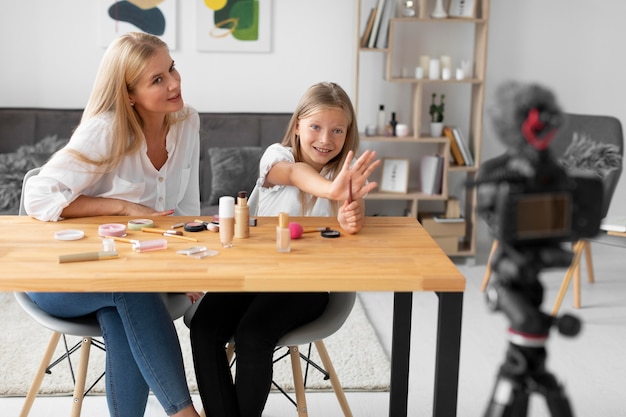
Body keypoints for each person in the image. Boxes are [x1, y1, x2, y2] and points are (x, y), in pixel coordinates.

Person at [23, 32, 202, 417]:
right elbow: (36, 195)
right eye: (157, 79)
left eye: (171, 68)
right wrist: (120, 207)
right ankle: (185, 413)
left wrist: (188, 266)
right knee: (129, 289)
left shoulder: (187, 122)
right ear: (129, 95)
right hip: (59, 278)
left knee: (124, 305)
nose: (174, 82)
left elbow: (188, 209)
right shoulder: (107, 130)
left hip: (132, 277)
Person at [189, 81, 380, 417]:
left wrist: (351, 214)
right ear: (297, 126)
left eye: (337, 130)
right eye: (316, 127)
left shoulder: (343, 176)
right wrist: (332, 191)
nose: (325, 139)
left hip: (306, 285)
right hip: (251, 276)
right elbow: (295, 174)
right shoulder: (277, 158)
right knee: (204, 327)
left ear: (347, 134)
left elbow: (354, 214)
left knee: (252, 334)